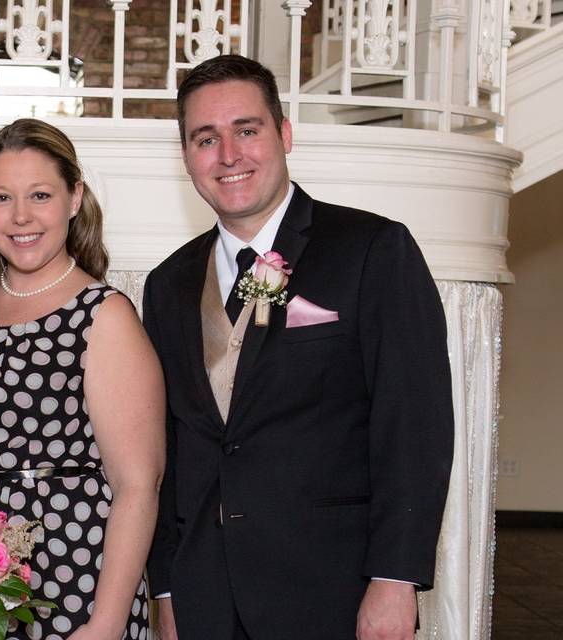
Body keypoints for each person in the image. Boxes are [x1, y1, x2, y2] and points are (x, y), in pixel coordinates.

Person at [144, 55, 454, 640]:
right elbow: (167, 449)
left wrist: (395, 579)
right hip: (203, 595)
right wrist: (166, 586)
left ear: (284, 134)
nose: (228, 155)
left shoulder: (372, 251)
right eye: (205, 138)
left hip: (335, 591)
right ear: (186, 156)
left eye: (247, 130)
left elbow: (414, 427)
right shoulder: (168, 284)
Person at [0, 118, 165, 640]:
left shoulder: (103, 315)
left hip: (73, 575)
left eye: (40, 195)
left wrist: (104, 624)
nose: (20, 217)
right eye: (1, 198)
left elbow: (138, 487)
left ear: (75, 197)